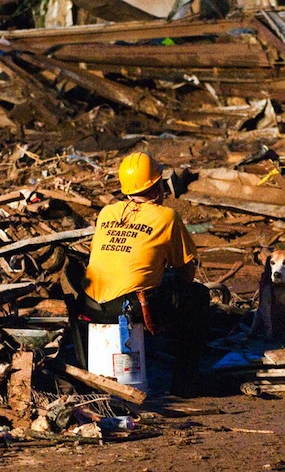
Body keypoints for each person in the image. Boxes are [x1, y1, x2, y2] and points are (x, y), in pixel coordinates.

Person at [81, 151, 210, 398]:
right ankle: (185, 383)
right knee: (197, 297)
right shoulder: (166, 216)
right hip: (130, 307)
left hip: (90, 305)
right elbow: (186, 271)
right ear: (157, 185)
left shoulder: (107, 213)